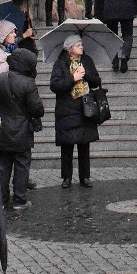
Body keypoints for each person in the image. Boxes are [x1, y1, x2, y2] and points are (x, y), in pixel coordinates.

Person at [0, 47, 45, 212]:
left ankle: (1, 200)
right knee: (21, 165)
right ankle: (19, 200)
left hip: (2, 130)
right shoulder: (28, 83)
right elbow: (37, 109)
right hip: (22, 130)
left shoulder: (0, 79)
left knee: (3, 166)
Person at [49, 36, 101, 188]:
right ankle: (67, 177)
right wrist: (73, 78)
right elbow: (55, 85)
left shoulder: (87, 60)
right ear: (69, 48)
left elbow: (97, 81)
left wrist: (87, 75)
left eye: (81, 44)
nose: (81, 47)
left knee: (84, 145)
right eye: (78, 45)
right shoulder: (60, 63)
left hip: (85, 109)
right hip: (67, 109)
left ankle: (85, 177)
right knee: (67, 146)